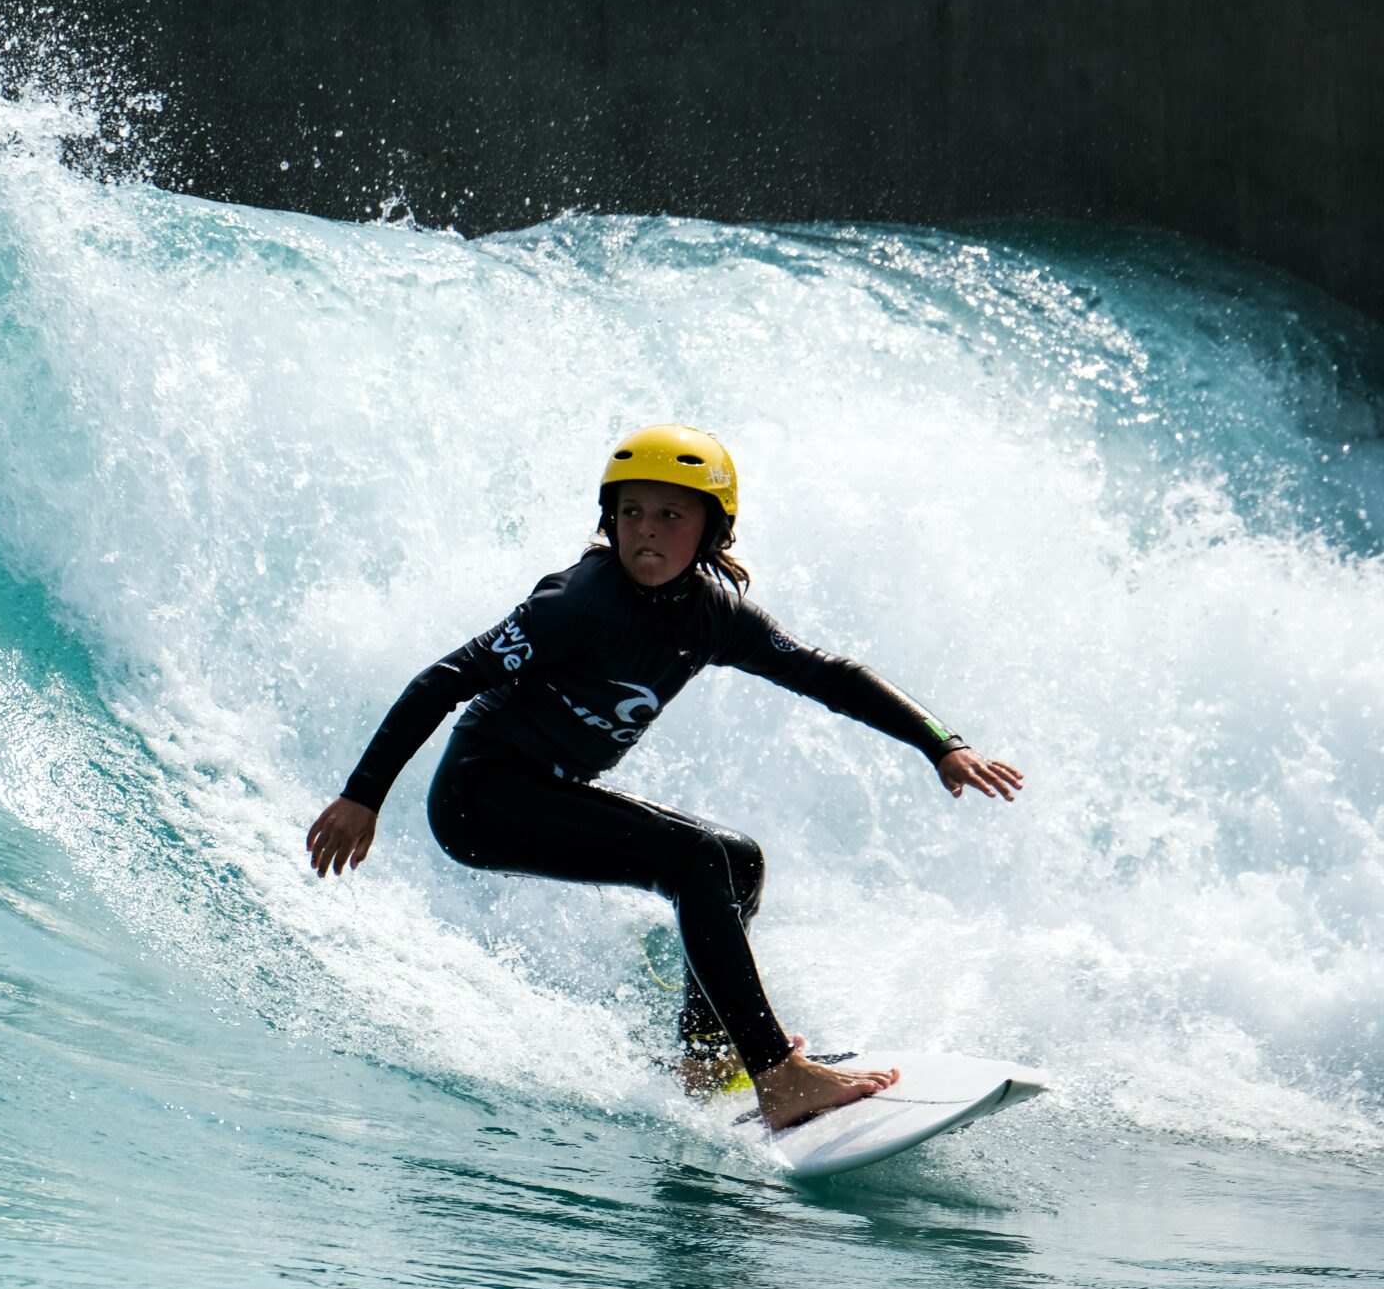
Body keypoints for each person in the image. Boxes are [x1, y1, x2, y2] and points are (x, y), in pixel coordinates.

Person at [304, 424, 1024, 1131]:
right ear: (609, 520)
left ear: (712, 529)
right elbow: (447, 677)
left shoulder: (714, 615)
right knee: (693, 858)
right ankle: (778, 1075)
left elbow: (824, 674)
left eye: (670, 515)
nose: (646, 530)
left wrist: (940, 744)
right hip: (481, 797)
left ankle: (708, 1060)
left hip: (546, 789)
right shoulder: (575, 605)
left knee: (737, 861)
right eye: (631, 513)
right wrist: (363, 795)